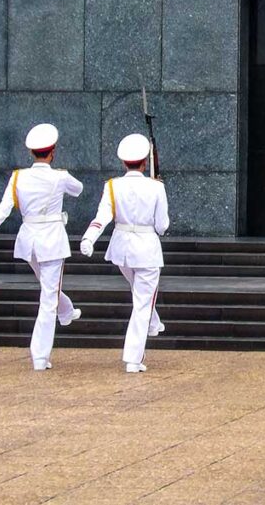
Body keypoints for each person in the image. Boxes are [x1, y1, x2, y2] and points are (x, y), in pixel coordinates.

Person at [0, 123, 83, 371]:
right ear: (52, 151)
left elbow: (2, 210)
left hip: (30, 242)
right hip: (52, 241)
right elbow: (79, 190)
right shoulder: (60, 177)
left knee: (48, 288)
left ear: (32, 153)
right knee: (48, 298)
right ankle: (40, 355)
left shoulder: (18, 177)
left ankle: (67, 312)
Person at [80, 134, 169, 373]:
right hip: (146, 249)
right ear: (144, 162)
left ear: (124, 162)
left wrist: (89, 238)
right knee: (142, 302)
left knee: (140, 296)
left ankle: (154, 323)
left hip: (122, 250)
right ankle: (133, 357)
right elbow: (162, 226)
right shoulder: (156, 188)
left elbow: (102, 217)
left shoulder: (112, 185)